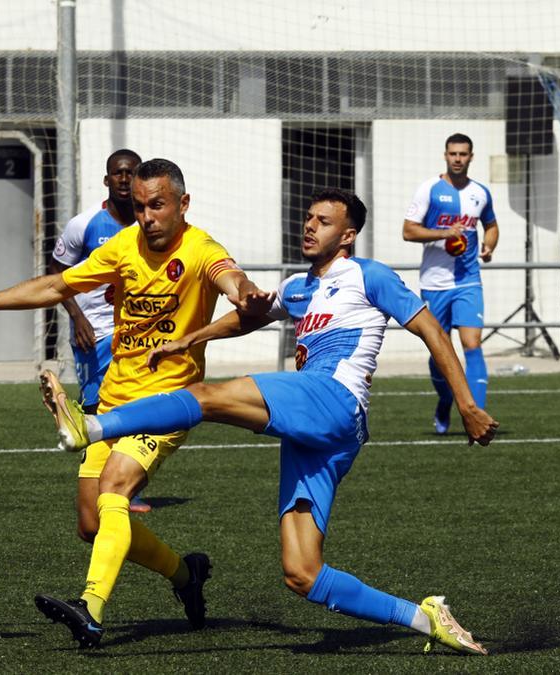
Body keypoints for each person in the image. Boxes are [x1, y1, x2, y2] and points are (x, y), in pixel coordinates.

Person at [41, 188, 499, 654]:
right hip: (321, 435)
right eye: (308, 216)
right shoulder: (300, 286)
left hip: (334, 398)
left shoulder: (368, 275)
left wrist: (465, 404)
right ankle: (426, 618)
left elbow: (432, 331)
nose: (309, 225)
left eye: (322, 220)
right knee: (302, 574)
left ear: (347, 235)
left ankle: (94, 427)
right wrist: (189, 340)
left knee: (206, 396)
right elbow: (248, 317)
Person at [0, 158, 272, 647]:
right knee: (92, 522)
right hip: (113, 400)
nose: (147, 217)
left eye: (157, 205)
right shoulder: (123, 246)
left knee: (116, 486)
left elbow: (231, 277)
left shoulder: (201, 250)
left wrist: (246, 294)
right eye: (139, 207)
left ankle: (89, 609)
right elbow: (57, 285)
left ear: (183, 203)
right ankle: (186, 576)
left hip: (166, 404)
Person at [48, 148, 150, 513]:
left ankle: (125, 488)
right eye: (118, 174)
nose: (124, 179)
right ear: (107, 180)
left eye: (131, 173)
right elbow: (55, 273)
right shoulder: (85, 224)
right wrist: (76, 316)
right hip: (94, 334)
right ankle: (97, 485)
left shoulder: (150, 223)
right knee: (95, 407)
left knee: (139, 407)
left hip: (137, 332)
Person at [402, 133, 499, 435]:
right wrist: (443, 234)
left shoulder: (480, 193)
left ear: (471, 157)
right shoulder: (429, 189)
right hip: (434, 284)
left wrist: (488, 246)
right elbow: (408, 231)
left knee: (472, 344)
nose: (458, 158)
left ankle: (477, 417)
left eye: (463, 154)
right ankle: (445, 400)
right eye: (453, 153)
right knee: (439, 351)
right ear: (445, 156)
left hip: (469, 281)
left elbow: (491, 225)